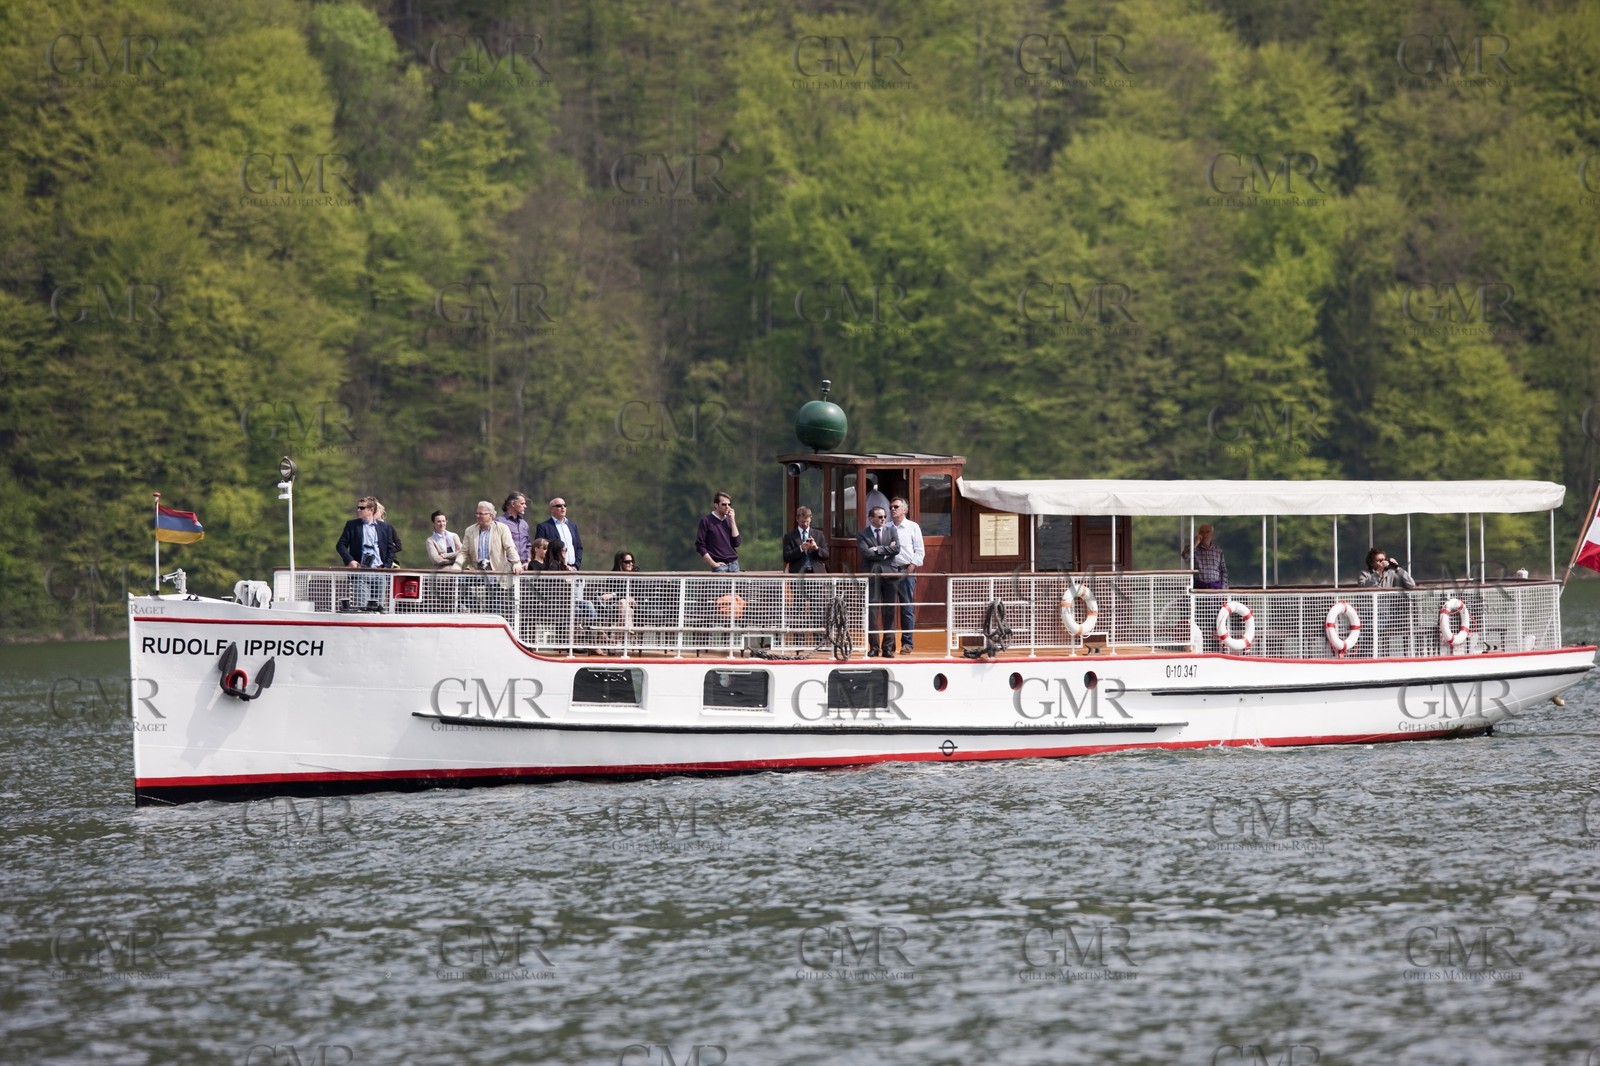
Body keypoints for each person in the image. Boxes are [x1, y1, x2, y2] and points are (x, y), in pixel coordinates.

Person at [336, 496, 400, 609]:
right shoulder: (352, 525)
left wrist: (386, 566)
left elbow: (391, 549)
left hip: (379, 572)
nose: (358, 510)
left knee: (378, 608)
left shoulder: (385, 527)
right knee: (362, 608)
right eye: (358, 507)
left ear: (370, 510)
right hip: (361, 572)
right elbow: (340, 545)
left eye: (362, 508)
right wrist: (350, 561)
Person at [857, 505, 900, 657]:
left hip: (890, 575)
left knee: (889, 611)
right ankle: (874, 647)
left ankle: (887, 647)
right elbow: (865, 553)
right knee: (872, 612)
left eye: (884, 517)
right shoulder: (862, 533)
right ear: (871, 518)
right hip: (872, 576)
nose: (883, 519)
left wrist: (876, 549)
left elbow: (897, 549)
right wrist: (886, 550)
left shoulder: (892, 530)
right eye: (880, 517)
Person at [887, 497, 925, 653]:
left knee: (906, 608)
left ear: (904, 510)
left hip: (906, 571)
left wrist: (910, 568)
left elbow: (920, 551)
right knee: (887, 608)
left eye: (895, 506)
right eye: (890, 507)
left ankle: (907, 644)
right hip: (888, 571)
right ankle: (888, 645)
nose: (892, 509)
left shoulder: (913, 527)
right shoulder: (886, 527)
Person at [696, 491, 741, 572]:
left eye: (729, 504)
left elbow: (737, 543)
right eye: (724, 504)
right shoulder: (706, 521)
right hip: (719, 566)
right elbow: (700, 545)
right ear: (716, 505)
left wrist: (732, 520)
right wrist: (713, 564)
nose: (727, 507)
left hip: (734, 565)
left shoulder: (729, 520)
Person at [535, 497, 583, 570]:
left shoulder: (572, 526)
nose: (562, 507)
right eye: (559, 506)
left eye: (564, 505)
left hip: (573, 569)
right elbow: (541, 549)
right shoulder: (543, 527)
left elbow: (579, 547)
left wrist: (576, 565)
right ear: (551, 509)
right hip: (555, 569)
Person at [782, 506, 829, 574]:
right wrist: (801, 548)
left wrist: (816, 548)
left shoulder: (819, 534)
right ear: (797, 519)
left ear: (810, 519)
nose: (805, 524)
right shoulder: (789, 537)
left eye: (807, 521)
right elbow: (786, 558)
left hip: (816, 574)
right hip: (798, 574)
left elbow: (826, 555)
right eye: (802, 522)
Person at [1182, 523, 1228, 590]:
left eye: (1208, 532)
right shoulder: (1193, 548)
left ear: (1212, 534)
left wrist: (1223, 588)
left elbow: (1223, 570)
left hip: (1215, 586)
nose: (1205, 535)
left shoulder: (1218, 551)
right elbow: (1185, 557)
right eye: (1202, 532)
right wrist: (1195, 543)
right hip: (1199, 586)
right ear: (1199, 534)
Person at [498, 492, 532, 567]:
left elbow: (528, 545)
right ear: (513, 504)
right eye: (522, 504)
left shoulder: (524, 524)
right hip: (506, 568)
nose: (525, 506)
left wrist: (529, 560)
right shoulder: (499, 522)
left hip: (524, 567)